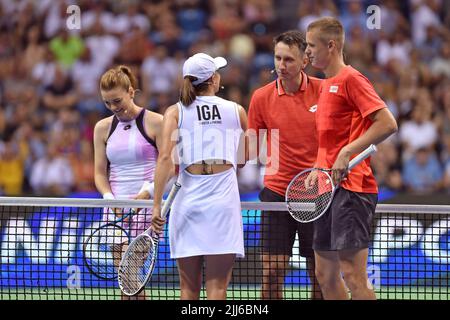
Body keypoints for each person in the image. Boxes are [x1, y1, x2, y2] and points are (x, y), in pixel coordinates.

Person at [305, 17, 398, 300]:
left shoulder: (352, 79)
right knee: (324, 274)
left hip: (352, 188)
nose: (306, 52)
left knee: (353, 275)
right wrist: (316, 168)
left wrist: (348, 152)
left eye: (311, 46)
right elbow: (330, 141)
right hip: (325, 189)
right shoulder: (324, 85)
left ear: (330, 46)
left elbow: (387, 123)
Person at [151, 53, 248, 300]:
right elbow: (242, 160)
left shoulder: (174, 112)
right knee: (217, 290)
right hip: (222, 203)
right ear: (214, 79)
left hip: (188, 203)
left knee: (188, 290)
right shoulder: (237, 110)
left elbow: (164, 159)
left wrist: (156, 206)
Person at [247, 30, 323, 300]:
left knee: (320, 273)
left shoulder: (324, 92)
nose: (281, 65)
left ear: (305, 61)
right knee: (271, 272)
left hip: (316, 194)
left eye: (289, 60)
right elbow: (250, 147)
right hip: (276, 192)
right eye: (278, 58)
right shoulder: (260, 97)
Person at [93, 65, 163, 299]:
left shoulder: (156, 122)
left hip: (146, 207)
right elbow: (100, 173)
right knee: (127, 282)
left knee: (129, 272)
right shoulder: (102, 128)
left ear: (131, 92)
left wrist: (148, 191)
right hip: (114, 210)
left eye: (117, 100)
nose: (113, 108)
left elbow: (170, 166)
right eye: (107, 103)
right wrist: (109, 198)